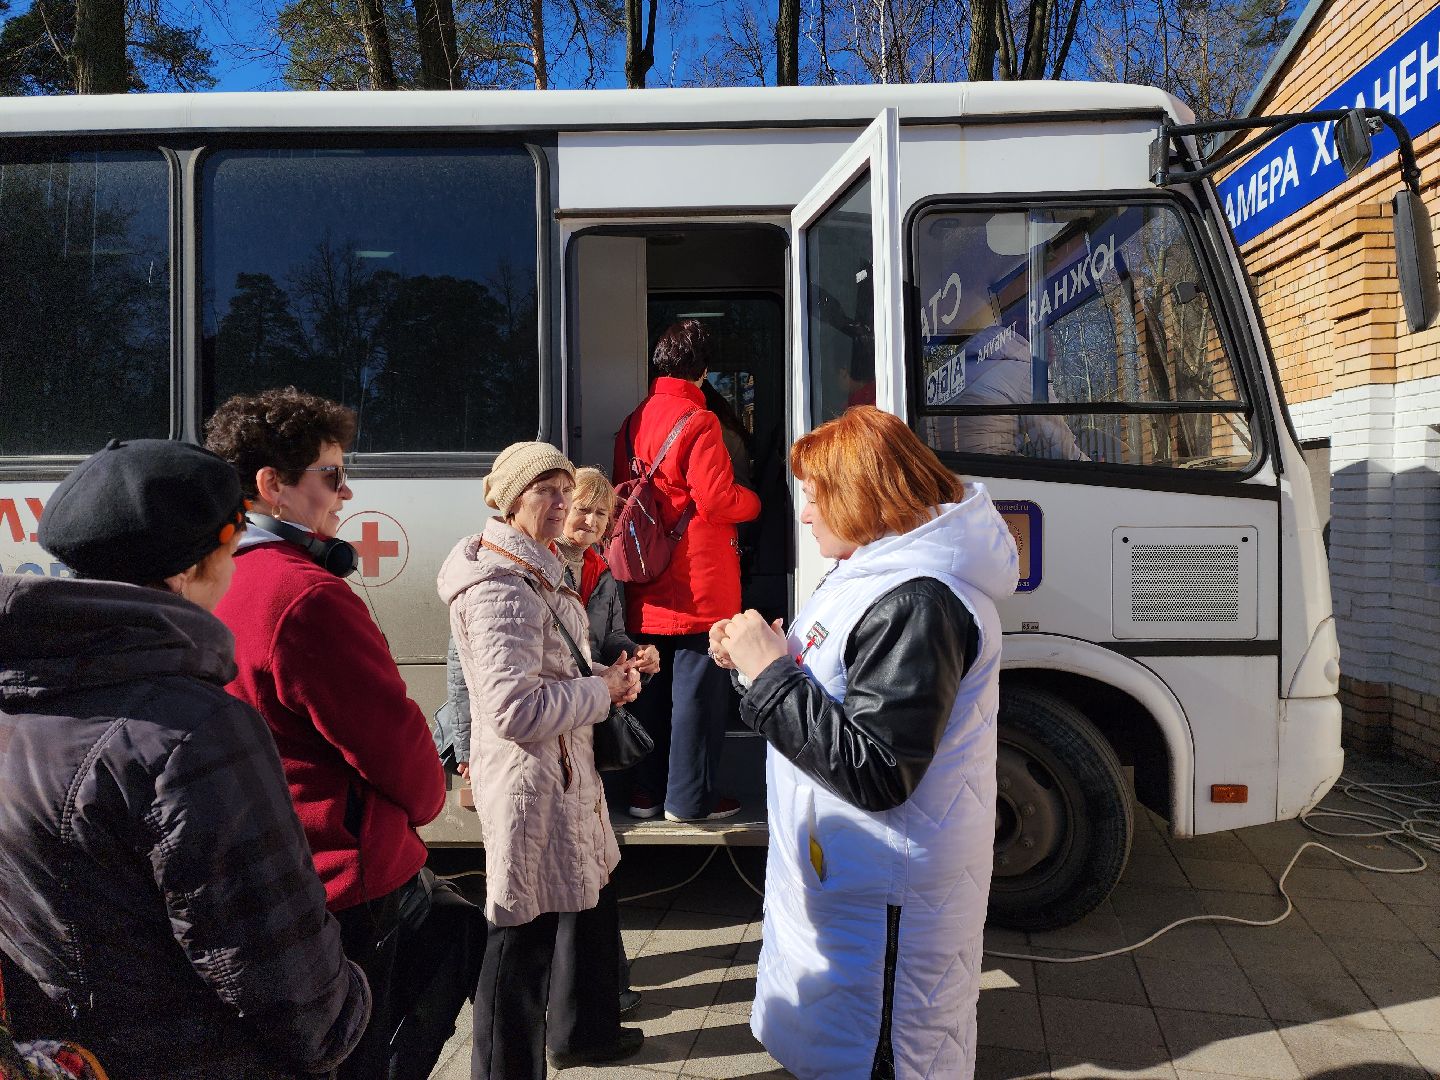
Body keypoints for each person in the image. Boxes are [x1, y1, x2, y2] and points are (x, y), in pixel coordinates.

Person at [0, 438, 370, 1080]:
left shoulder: (18, 696)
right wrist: (354, 1000)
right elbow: (288, 986)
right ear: (192, 569)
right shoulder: (191, 729)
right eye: (234, 548)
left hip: (66, 1057)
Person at [710, 406, 1019, 1080]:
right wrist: (758, 662)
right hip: (858, 884)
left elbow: (878, 770)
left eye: (815, 496)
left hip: (884, 900)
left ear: (861, 495)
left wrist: (770, 675)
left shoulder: (918, 600)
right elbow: (831, 698)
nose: (804, 515)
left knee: (882, 1059)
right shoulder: (876, 574)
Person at [205, 387, 478, 1080]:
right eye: (331, 475)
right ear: (272, 486)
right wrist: (429, 800)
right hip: (343, 877)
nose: (346, 491)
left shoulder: (213, 576)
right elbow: (396, 748)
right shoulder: (306, 595)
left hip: (261, 869)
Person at [437, 442, 645, 1080]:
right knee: (516, 945)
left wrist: (605, 678)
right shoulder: (500, 586)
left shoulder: (533, 568)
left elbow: (547, 673)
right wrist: (599, 694)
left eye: (565, 489)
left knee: (539, 930)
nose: (561, 503)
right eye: (545, 491)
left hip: (556, 775)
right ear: (509, 501)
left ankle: (570, 1042)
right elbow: (513, 710)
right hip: (531, 782)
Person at [614, 319, 761, 822]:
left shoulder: (632, 422)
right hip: (699, 578)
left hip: (645, 569)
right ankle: (689, 800)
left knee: (649, 689)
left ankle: (645, 794)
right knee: (698, 694)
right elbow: (717, 499)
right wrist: (755, 502)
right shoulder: (700, 422)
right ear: (702, 371)